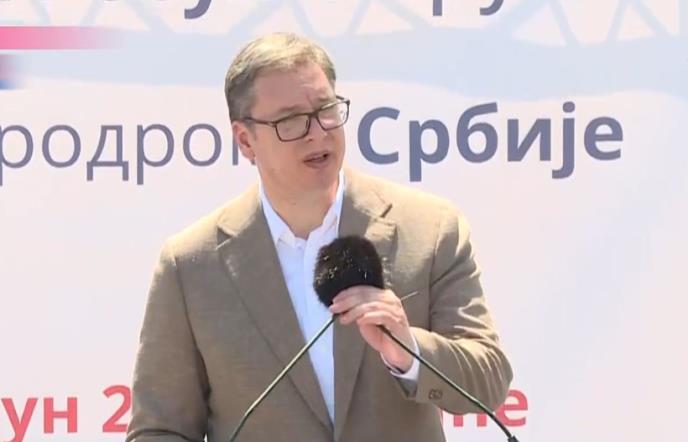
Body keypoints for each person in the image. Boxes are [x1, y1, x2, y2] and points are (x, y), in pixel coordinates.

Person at [126, 32, 512, 442]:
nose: (318, 132)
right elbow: (159, 429)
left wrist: (409, 349)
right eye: (291, 120)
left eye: (326, 109)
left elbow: (488, 379)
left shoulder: (429, 229)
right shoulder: (191, 266)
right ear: (245, 140)